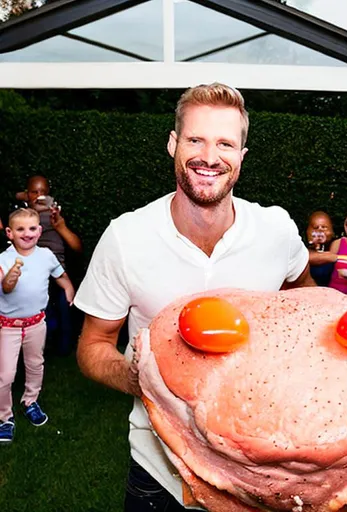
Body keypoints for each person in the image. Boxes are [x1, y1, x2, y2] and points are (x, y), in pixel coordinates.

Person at [73, 83, 315, 511]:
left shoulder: (276, 230)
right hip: (158, 470)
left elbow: (308, 305)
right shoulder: (126, 238)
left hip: (259, 466)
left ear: (241, 155)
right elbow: (92, 346)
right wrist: (136, 378)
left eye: (225, 143)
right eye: (196, 139)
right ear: (173, 144)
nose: (209, 156)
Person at [0, 208, 75, 443]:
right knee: (6, 374)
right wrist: (10, 279)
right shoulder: (3, 259)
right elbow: (6, 288)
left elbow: (59, 274)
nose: (27, 233)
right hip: (8, 326)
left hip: (36, 324)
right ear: (10, 233)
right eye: (20, 229)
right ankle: (5, 417)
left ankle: (30, 401)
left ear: (40, 231)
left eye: (32, 228)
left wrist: (68, 288)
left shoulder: (46, 255)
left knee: (35, 365)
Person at [22, 175, 82, 355]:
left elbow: (77, 248)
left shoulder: (57, 214)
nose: (39, 196)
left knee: (64, 304)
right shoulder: (22, 217)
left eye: (43, 192)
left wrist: (60, 226)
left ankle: (64, 347)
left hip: (58, 268)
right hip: (33, 269)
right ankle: (43, 343)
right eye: (34, 192)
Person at [306, 210, 335, 286]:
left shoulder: (337, 248)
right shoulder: (303, 251)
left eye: (324, 227)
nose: (320, 230)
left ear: (332, 232)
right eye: (315, 227)